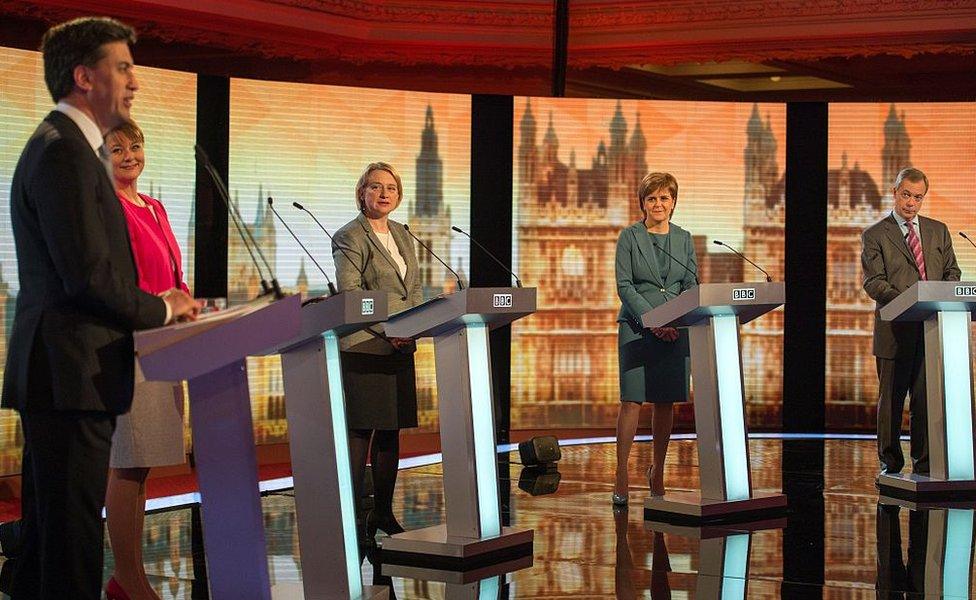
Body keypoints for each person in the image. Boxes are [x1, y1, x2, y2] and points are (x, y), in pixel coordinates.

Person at [2, 17, 198, 599]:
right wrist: (163, 309)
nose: (134, 82)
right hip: (69, 374)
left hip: (71, 373)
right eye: (122, 68)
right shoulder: (63, 153)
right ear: (84, 78)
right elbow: (88, 278)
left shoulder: (68, 148)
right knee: (70, 547)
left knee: (47, 545)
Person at [103, 121, 191, 600]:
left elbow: (173, 274)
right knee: (127, 462)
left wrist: (190, 307)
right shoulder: (106, 208)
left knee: (142, 467)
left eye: (135, 145)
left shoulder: (154, 207)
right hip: (129, 344)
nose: (129, 154)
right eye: (116, 148)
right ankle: (126, 578)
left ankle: (130, 577)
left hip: (165, 344)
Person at [332, 162, 423, 544]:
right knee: (361, 435)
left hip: (401, 347)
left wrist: (413, 327)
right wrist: (391, 330)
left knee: (390, 435)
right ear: (362, 192)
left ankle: (383, 514)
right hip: (366, 346)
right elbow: (352, 295)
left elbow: (414, 290)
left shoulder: (403, 234)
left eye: (391, 188)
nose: (384, 194)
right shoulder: (349, 236)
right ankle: (353, 519)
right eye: (375, 187)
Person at [861, 167, 960, 481]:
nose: (911, 203)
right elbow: (873, 282)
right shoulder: (875, 234)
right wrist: (909, 301)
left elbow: (952, 273)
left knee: (924, 401)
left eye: (918, 197)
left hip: (930, 331)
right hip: (894, 331)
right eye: (906, 195)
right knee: (891, 402)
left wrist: (939, 296)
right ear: (895, 192)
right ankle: (890, 465)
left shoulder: (938, 231)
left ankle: (924, 466)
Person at [613, 172, 697, 505]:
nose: (658, 204)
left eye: (664, 198)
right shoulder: (629, 237)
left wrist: (674, 318)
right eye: (651, 198)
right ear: (642, 203)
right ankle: (621, 474)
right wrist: (653, 320)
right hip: (637, 326)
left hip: (676, 328)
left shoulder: (685, 239)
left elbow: (690, 284)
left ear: (673, 202)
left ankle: (657, 471)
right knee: (632, 401)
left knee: (665, 401)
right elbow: (625, 286)